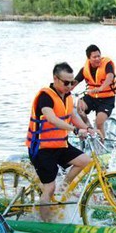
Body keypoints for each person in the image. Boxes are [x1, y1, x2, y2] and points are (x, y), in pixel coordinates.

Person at [26, 62, 94, 222]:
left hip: (60, 144)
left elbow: (72, 116)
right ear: (55, 79)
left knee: (84, 161)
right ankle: (46, 223)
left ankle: (63, 192)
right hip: (41, 148)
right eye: (66, 82)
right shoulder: (45, 97)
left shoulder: (68, 96)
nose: (70, 86)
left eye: (72, 82)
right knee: (49, 188)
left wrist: (88, 128)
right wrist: (75, 130)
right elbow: (52, 119)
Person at [74, 44, 116, 140]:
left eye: (99, 56)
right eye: (94, 57)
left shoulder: (107, 64)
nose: (97, 59)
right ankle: (88, 126)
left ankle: (102, 149)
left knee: (99, 123)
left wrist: (101, 88)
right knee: (79, 107)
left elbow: (110, 77)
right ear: (89, 58)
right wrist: (64, 90)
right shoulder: (85, 69)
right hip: (92, 97)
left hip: (107, 99)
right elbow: (74, 82)